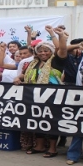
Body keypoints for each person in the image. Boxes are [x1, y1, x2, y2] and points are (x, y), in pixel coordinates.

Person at [14, 25, 68, 158]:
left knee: (52, 122)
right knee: (37, 120)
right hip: (35, 97)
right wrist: (17, 78)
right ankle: (39, 146)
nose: (43, 53)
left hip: (53, 96)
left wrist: (59, 36)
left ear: (51, 52)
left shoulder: (56, 62)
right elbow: (24, 75)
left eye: (46, 51)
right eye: (40, 51)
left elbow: (62, 49)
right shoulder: (33, 64)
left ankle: (52, 148)